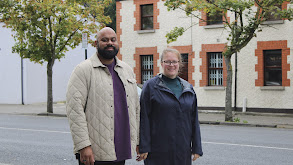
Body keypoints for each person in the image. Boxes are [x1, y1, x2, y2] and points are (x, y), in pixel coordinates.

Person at [66, 27, 140, 165]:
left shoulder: (127, 70)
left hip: (121, 149)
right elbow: (74, 110)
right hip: (95, 152)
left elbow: (136, 108)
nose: (109, 43)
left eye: (113, 39)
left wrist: (138, 140)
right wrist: (83, 145)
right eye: (104, 40)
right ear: (96, 44)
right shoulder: (83, 70)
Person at [137, 48, 203, 165]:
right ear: (161, 63)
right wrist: (144, 146)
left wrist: (197, 147)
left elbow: (194, 119)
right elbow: (143, 118)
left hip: (182, 149)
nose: (171, 65)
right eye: (167, 62)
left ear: (179, 63)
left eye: (174, 62)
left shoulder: (188, 88)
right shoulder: (151, 87)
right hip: (158, 150)